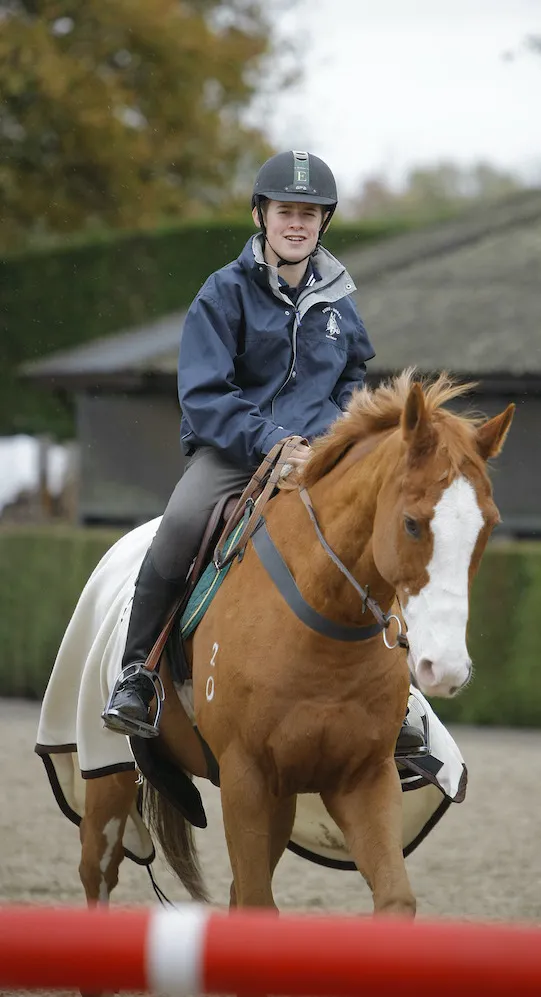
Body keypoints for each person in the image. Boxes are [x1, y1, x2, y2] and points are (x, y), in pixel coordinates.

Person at [102, 149, 426, 755]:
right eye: (285, 212)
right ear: (261, 215)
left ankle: (403, 698)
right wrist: (272, 442)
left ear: (323, 222)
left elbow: (352, 379)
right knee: (179, 525)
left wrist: (334, 438)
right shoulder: (222, 293)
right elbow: (205, 394)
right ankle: (137, 676)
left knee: (382, 539)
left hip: (320, 458)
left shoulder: (340, 301)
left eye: (308, 214)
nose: (296, 224)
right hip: (233, 455)